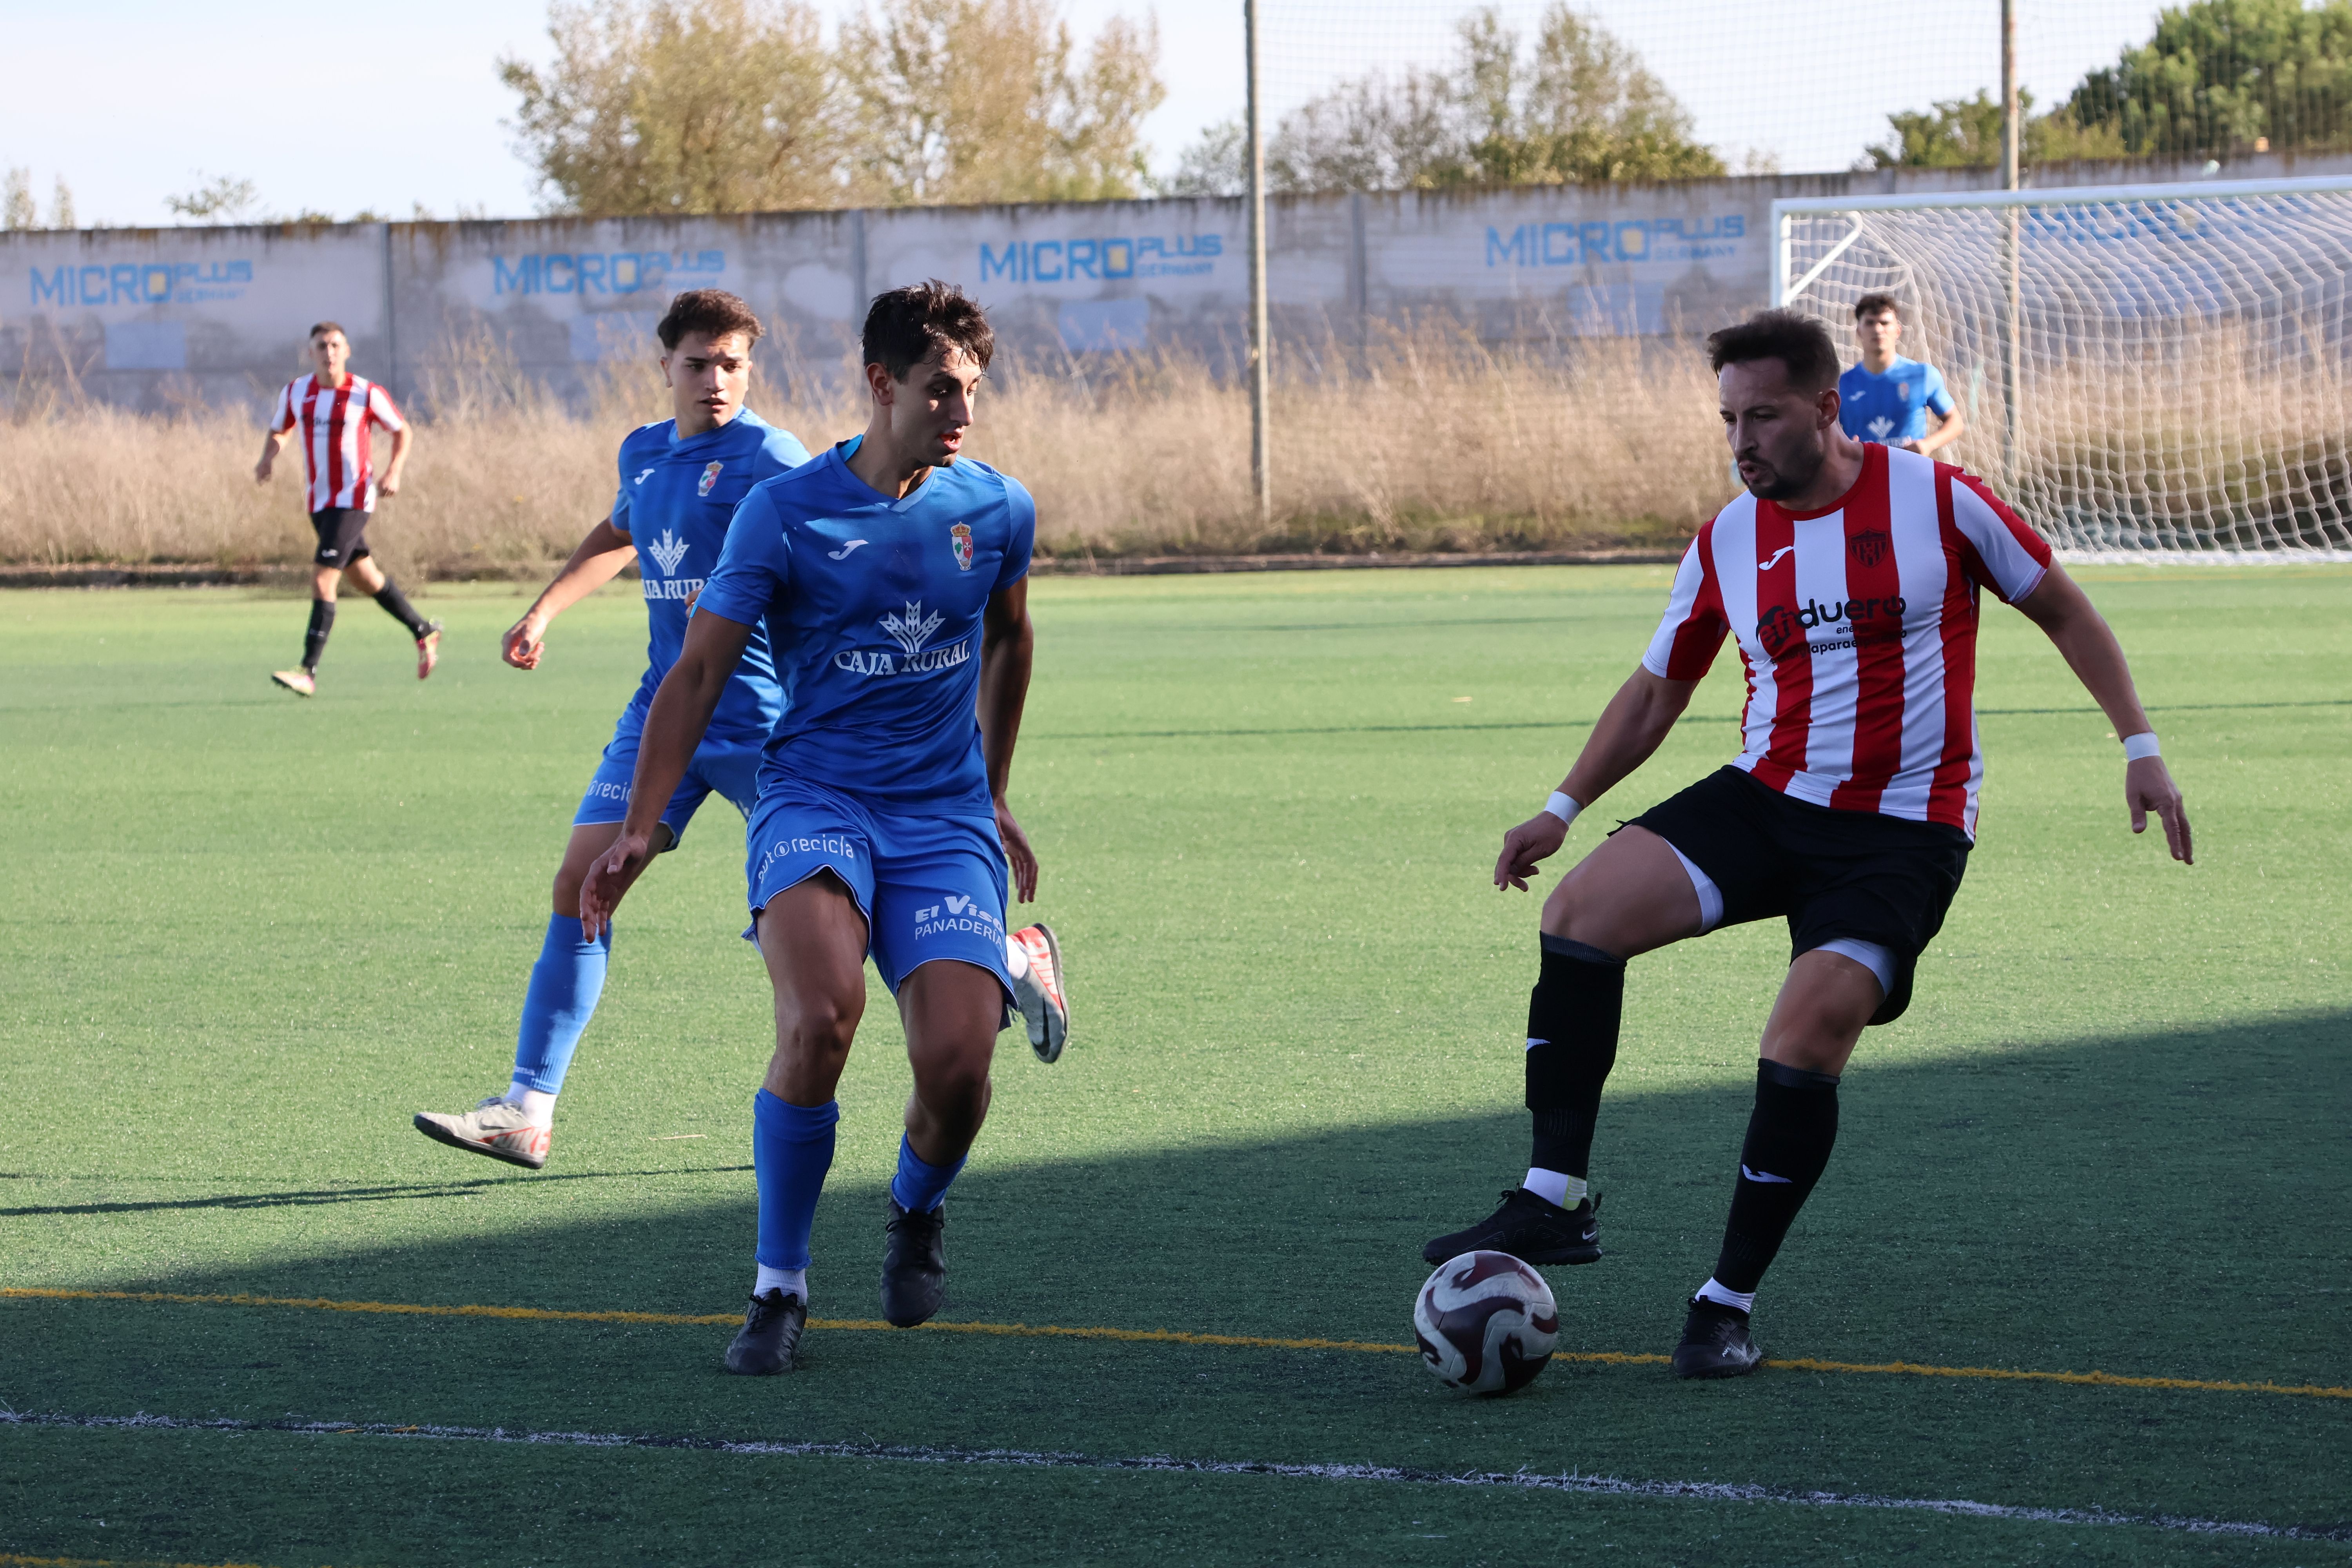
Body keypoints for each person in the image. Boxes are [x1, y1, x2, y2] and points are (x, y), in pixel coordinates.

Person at [1421, 309, 2190, 1380]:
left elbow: (2065, 610)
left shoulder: (1939, 501)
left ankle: (1723, 1304)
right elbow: (1656, 693)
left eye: (1765, 415)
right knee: (1580, 912)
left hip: (1903, 831)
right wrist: (1562, 805)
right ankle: (1553, 1200)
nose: (1742, 439)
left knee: (1806, 1033)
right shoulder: (1729, 539)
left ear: (1827, 409)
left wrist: (2140, 746)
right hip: (1769, 799)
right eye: (1729, 417)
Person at [579, 281, 1046, 1375]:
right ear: (883, 386)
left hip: (940, 816)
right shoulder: (786, 511)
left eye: (974, 390)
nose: (962, 411)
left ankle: (914, 1210)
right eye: (942, 389)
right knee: (823, 1017)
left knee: (959, 1069)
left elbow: (1012, 644)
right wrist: (643, 826)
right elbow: (694, 671)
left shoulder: (998, 507)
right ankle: (778, 1289)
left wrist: (996, 789)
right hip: (815, 801)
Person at [410, 289, 813, 1170]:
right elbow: (620, 527)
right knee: (579, 880)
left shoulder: (772, 455)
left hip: (764, 723)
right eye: (699, 363)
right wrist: (545, 609)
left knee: (824, 919)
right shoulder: (643, 451)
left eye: (733, 365)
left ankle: (992, 957)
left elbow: (826, 555)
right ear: (664, 366)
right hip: (662, 712)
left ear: (751, 369)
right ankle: (527, 1107)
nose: (716, 380)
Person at [257, 322, 440, 695]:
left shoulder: (365, 393)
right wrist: (267, 459)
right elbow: (280, 429)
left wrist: (394, 470)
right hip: (320, 501)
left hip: (354, 498)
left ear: (347, 351)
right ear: (311, 353)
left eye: (336, 345)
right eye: (322, 346)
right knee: (365, 578)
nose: (329, 353)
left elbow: (402, 431)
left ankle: (307, 671)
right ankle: (424, 630)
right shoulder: (297, 392)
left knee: (324, 579)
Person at [1837, 293, 1966, 457]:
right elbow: (1825, 431)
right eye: (1870, 323)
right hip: (1862, 475)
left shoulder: (1922, 375)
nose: (1878, 330)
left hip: (1909, 474)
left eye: (1885, 323)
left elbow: (1955, 422)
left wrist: (1927, 445)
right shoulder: (1842, 384)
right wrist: (1843, 445)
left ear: (1898, 331)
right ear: (1859, 331)